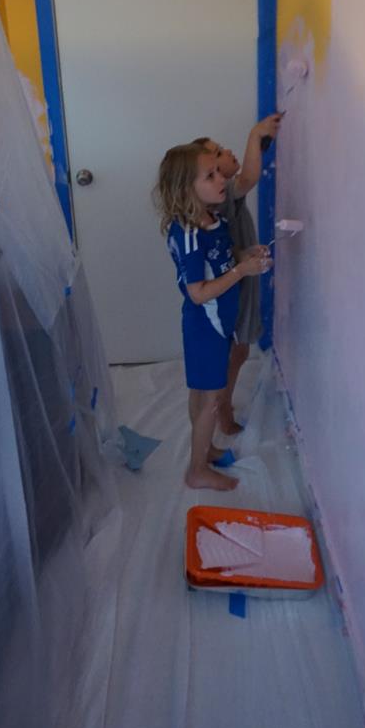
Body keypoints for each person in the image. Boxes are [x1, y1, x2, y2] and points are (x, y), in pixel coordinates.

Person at [154, 142, 273, 490]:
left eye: (219, 172)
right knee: (209, 401)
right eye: (210, 176)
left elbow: (223, 254)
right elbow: (197, 292)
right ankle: (197, 470)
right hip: (205, 327)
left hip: (219, 325)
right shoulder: (190, 234)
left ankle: (204, 450)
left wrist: (244, 254)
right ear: (185, 188)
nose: (222, 179)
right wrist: (241, 272)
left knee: (203, 395)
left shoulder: (213, 219)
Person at [194, 112, 282, 434]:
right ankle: (222, 408)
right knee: (237, 349)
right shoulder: (221, 197)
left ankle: (222, 404)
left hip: (240, 274)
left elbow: (245, 176)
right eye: (219, 153)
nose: (228, 151)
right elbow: (249, 178)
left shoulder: (223, 195)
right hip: (235, 282)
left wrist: (260, 140)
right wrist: (255, 134)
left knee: (239, 349)